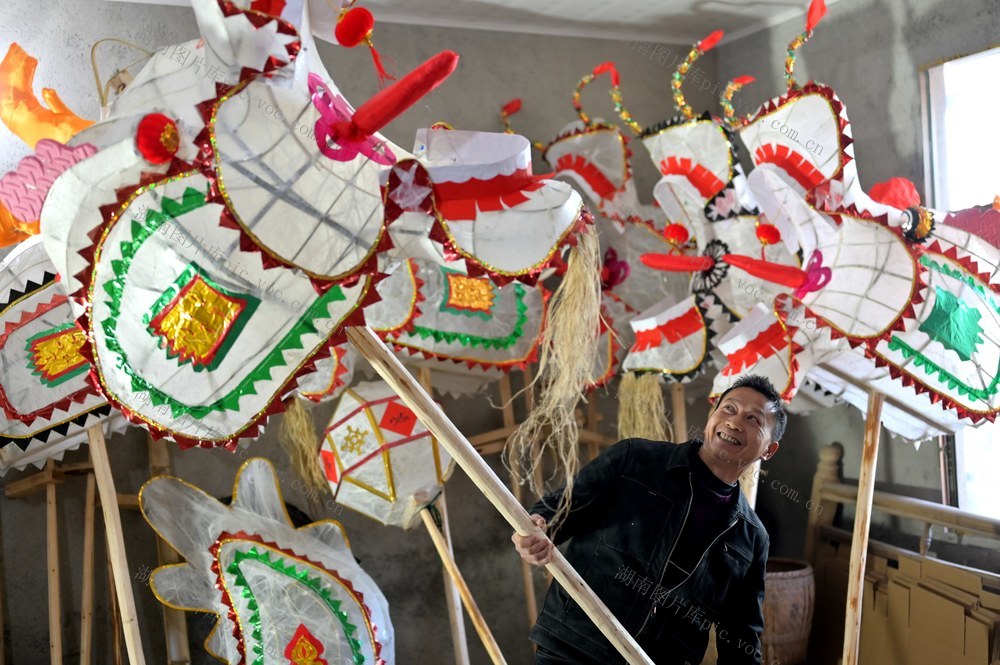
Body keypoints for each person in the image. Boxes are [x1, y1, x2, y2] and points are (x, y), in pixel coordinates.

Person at [512, 374, 786, 665]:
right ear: (712, 416)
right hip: (575, 648)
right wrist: (536, 529)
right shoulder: (636, 459)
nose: (734, 422)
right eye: (728, 409)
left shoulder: (752, 538)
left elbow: (741, 636)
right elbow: (558, 510)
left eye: (753, 420)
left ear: (769, 450)